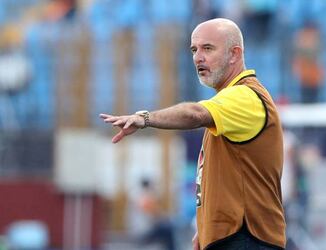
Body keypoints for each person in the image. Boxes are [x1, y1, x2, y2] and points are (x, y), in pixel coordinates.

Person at [100, 18, 286, 250]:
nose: (198, 57)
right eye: (194, 49)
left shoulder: (245, 96)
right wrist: (206, 229)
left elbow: (195, 113)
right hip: (235, 238)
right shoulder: (228, 106)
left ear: (234, 54)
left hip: (247, 238)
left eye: (208, 48)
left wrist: (145, 118)